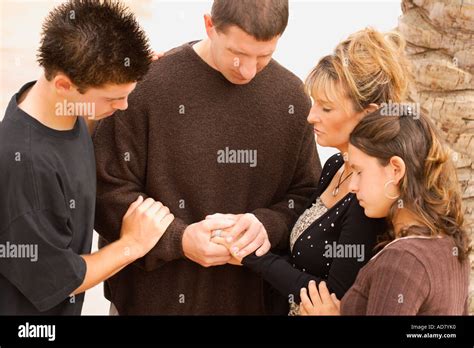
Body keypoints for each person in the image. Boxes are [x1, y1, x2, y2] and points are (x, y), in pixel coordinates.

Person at [93, 0, 321, 315]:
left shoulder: (293, 97)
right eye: (237, 54)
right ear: (209, 25)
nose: (249, 70)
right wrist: (180, 240)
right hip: (149, 304)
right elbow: (105, 192)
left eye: (264, 56)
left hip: (252, 305)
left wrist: (268, 225)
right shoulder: (148, 86)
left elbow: (308, 196)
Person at [210, 28, 409, 315]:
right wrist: (246, 229)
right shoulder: (334, 167)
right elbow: (297, 253)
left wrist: (250, 256)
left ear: (368, 114)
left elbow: (331, 298)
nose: (310, 116)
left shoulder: (369, 198)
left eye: (326, 108)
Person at [0, 0, 174, 315]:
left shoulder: (61, 105)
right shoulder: (27, 167)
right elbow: (56, 280)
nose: (123, 106)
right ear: (65, 85)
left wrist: (124, 71)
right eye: (113, 97)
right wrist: (132, 244)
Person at [299, 109, 471, 315]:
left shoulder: (401, 261)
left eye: (359, 172)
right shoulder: (449, 246)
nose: (353, 186)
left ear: (396, 169)